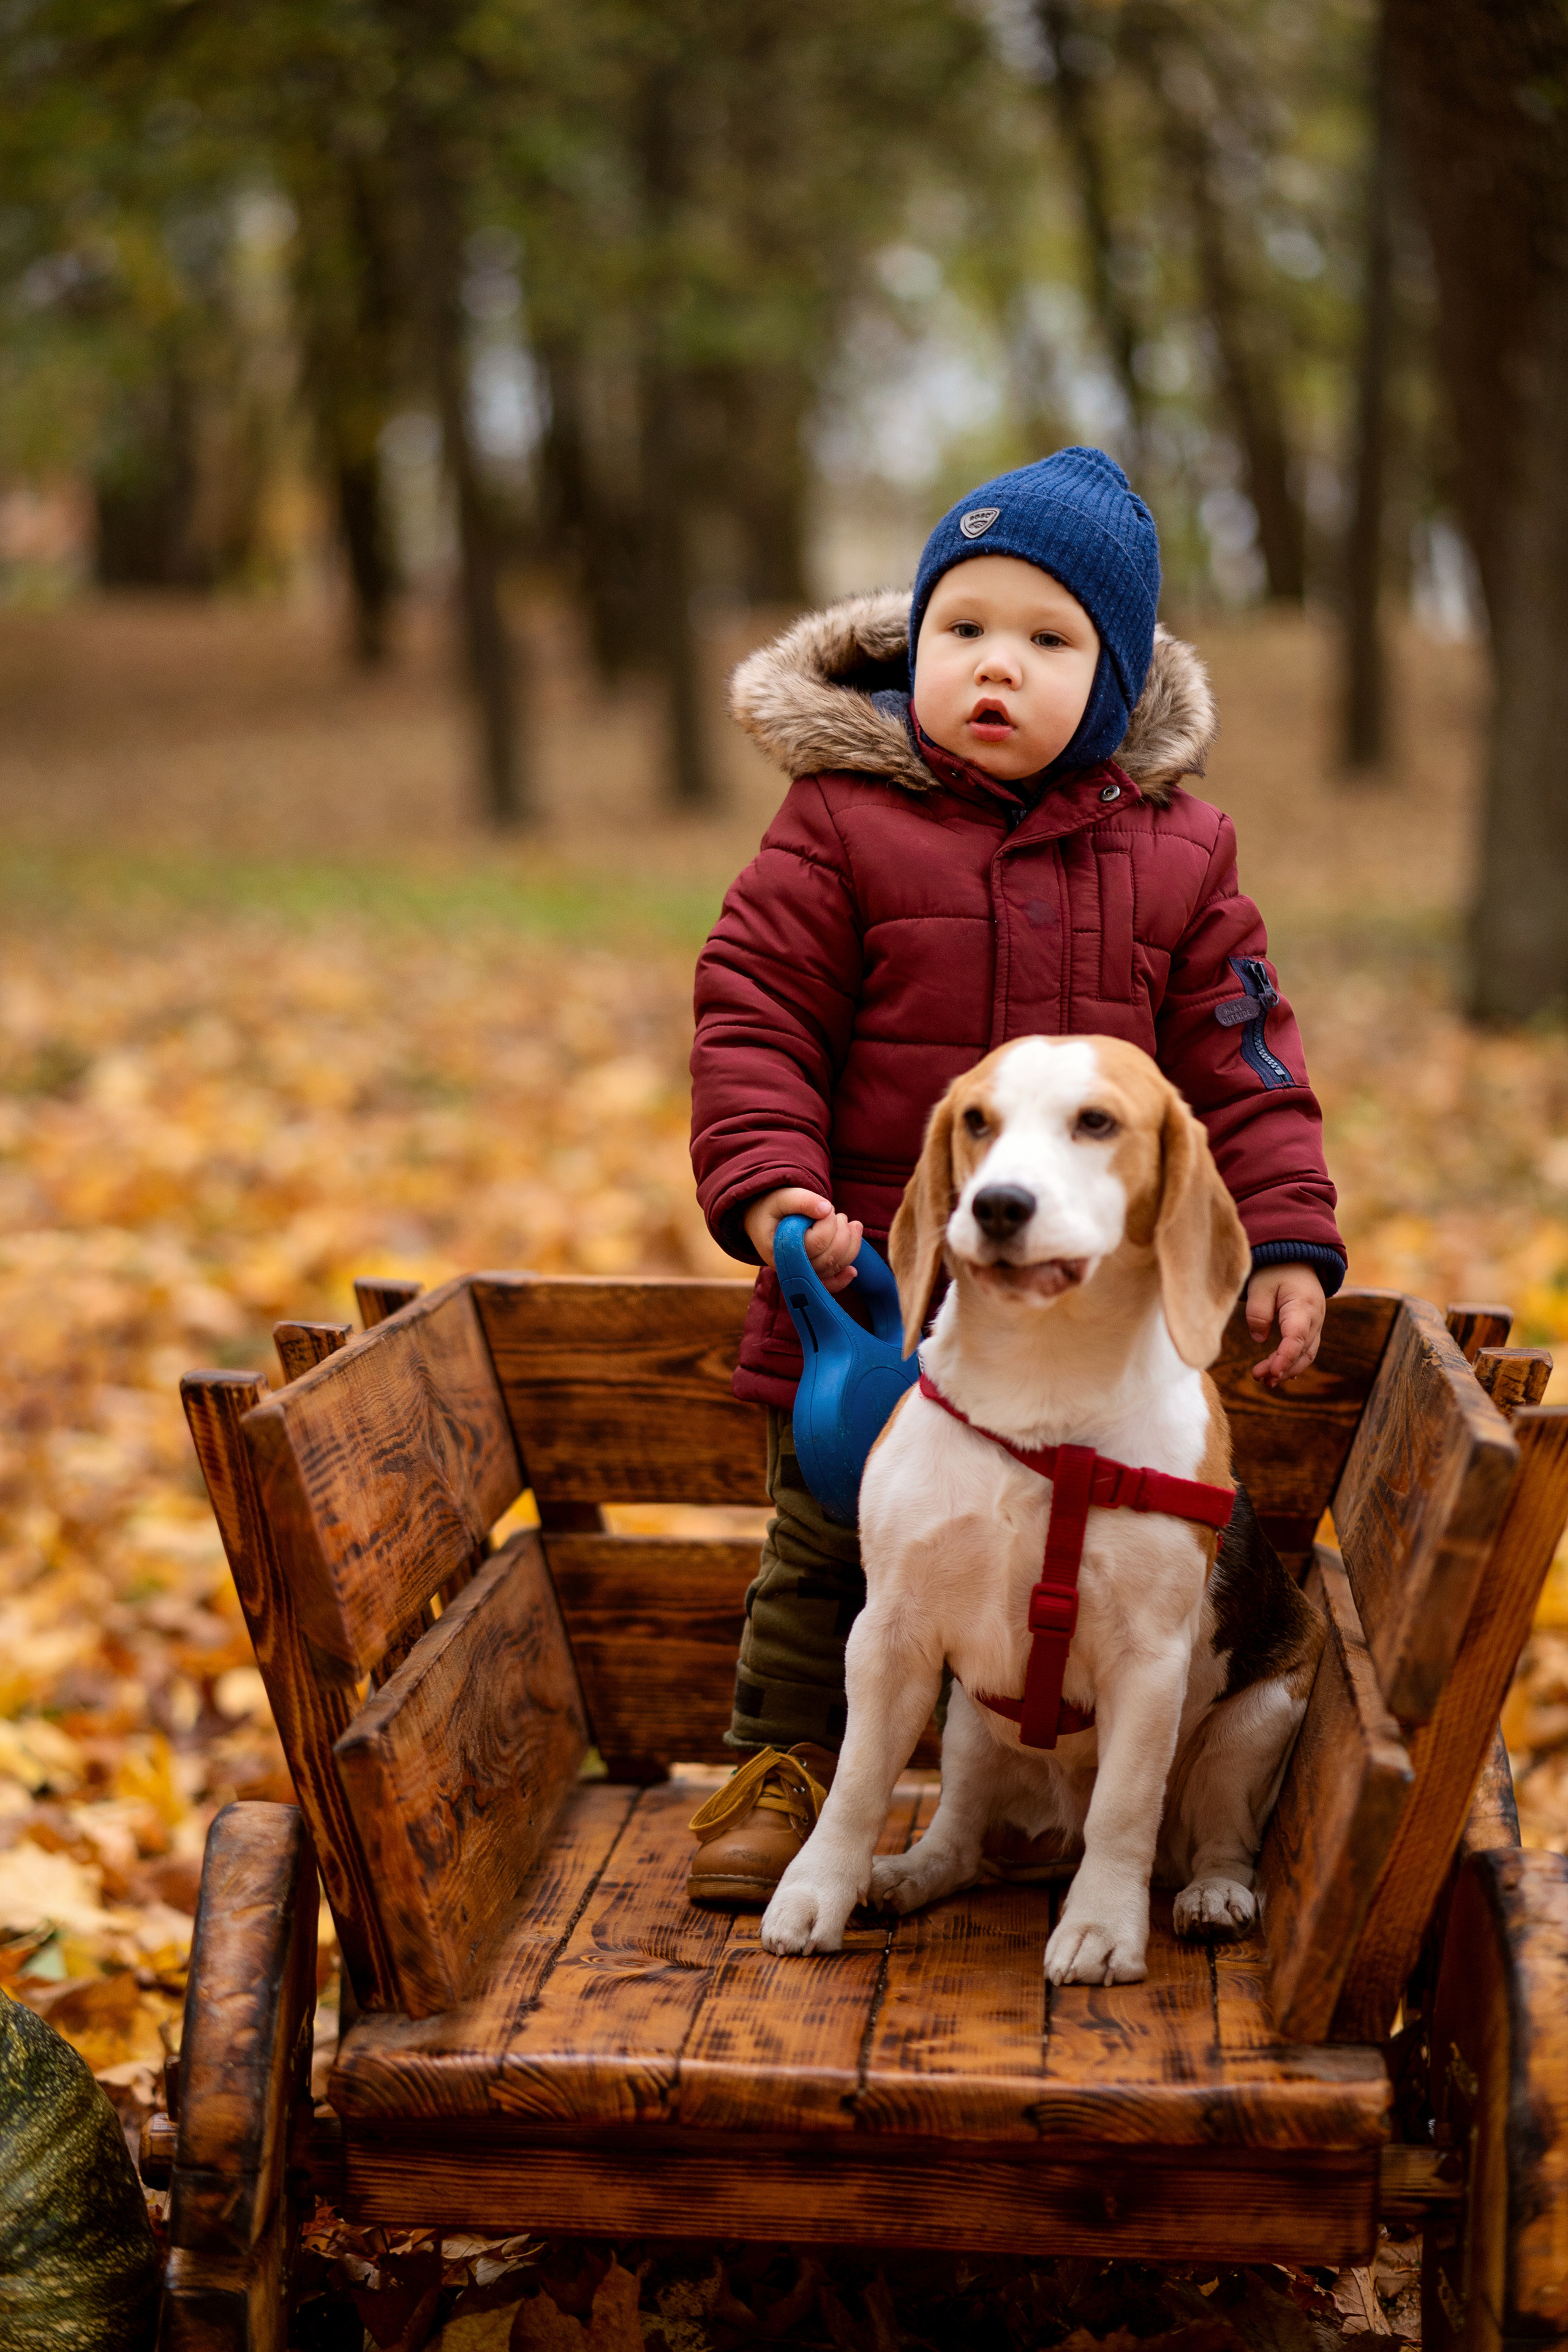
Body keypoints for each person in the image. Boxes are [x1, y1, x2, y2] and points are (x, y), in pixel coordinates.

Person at [684, 447, 1344, 1906]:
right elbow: (754, 1014)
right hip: (871, 1295)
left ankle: (1080, 1815)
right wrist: (773, 1187)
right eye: (961, 627)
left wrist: (1286, 1234)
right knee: (826, 1550)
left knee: (1087, 1556)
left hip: (1085, 1336)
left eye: (1048, 641)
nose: (994, 665)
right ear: (911, 644)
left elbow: (1242, 1062)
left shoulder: (1177, 857)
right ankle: (781, 1776)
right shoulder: (839, 822)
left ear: (1111, 686)